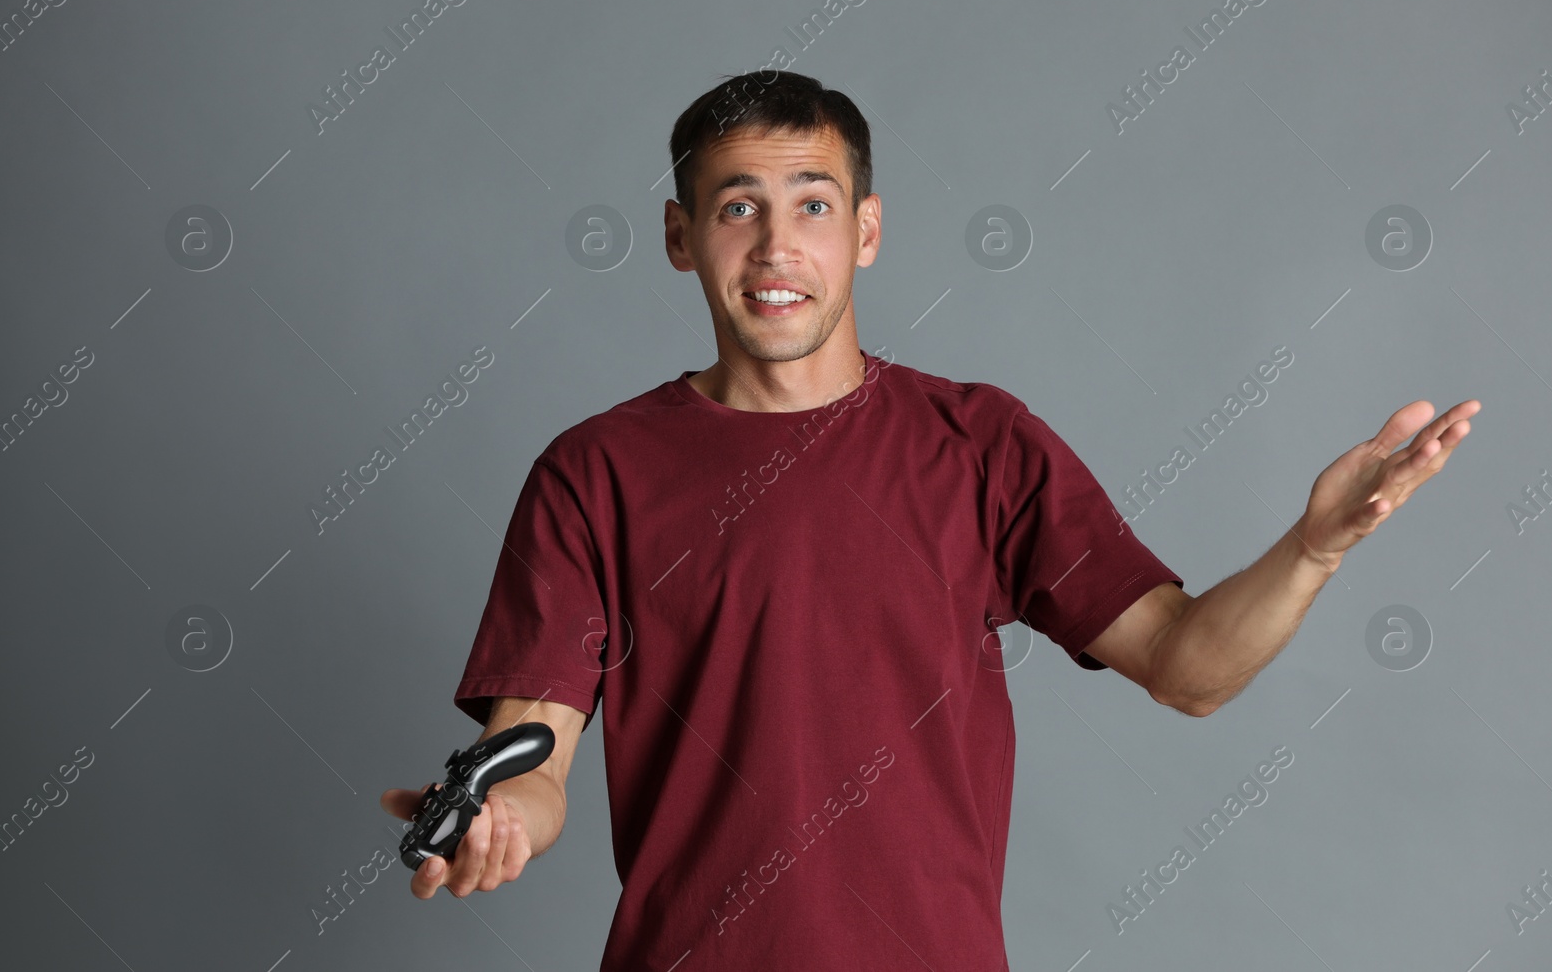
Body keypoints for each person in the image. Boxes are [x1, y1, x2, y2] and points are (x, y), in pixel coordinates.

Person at [381, 71, 1479, 968]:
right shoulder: (596, 472)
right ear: (680, 235)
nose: (774, 248)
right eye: (735, 207)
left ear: (864, 229)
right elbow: (532, 750)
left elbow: (1185, 665)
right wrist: (503, 816)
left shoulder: (980, 446)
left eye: (811, 203)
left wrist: (1312, 549)